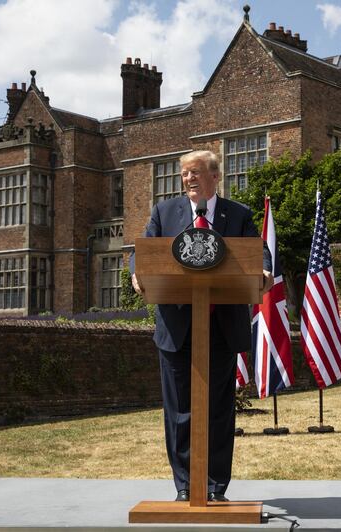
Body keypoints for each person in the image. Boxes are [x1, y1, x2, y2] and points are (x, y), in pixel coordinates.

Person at [130, 150, 272, 503]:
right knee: (179, 412)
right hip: (177, 328)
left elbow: (260, 253)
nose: (188, 179)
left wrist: (266, 272)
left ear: (214, 176)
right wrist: (136, 270)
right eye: (184, 174)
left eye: (195, 172)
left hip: (220, 329)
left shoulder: (238, 215)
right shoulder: (164, 213)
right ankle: (184, 485)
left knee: (219, 412)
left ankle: (214, 485)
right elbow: (142, 250)